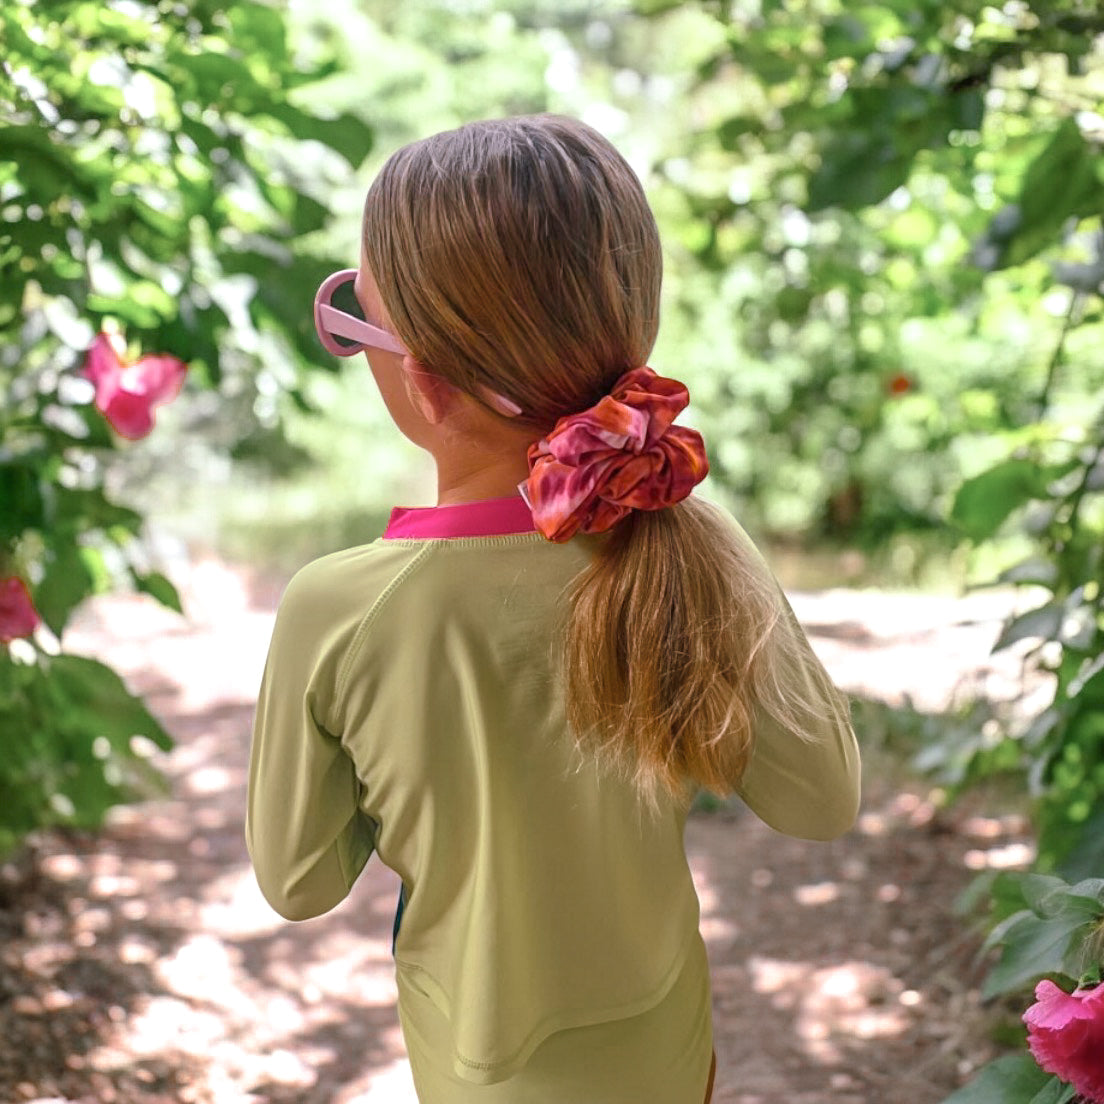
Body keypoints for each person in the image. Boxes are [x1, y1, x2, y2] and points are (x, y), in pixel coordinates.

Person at [246, 114, 861, 1104]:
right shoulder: (697, 543)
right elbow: (819, 799)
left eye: (352, 313)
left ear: (427, 385)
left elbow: (299, 879)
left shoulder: (339, 609)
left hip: (478, 1063)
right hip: (666, 1045)